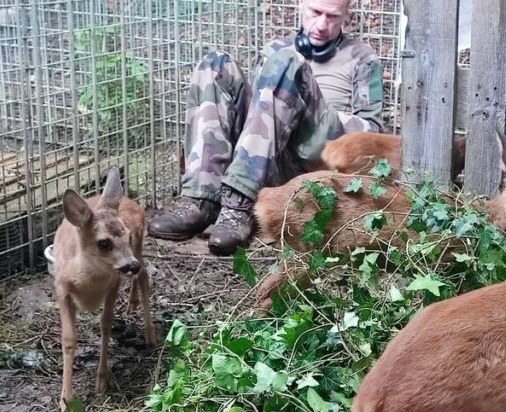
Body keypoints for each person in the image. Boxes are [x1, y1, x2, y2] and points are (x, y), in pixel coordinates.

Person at [148, 0, 385, 256]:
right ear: (301, 6)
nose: (321, 25)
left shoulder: (362, 57)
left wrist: (313, 107)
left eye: (332, 16)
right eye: (315, 13)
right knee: (214, 64)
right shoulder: (275, 49)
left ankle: (239, 204)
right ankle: (201, 198)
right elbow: (258, 120)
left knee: (287, 62)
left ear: (346, 16)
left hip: (318, 156)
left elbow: (371, 130)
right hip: (271, 157)